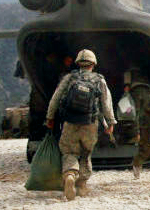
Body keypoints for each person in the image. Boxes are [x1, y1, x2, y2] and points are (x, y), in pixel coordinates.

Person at [45, 49, 116, 201]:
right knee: (85, 153)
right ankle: (81, 185)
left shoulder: (70, 78)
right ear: (93, 64)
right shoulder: (99, 80)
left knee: (69, 151)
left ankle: (70, 174)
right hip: (90, 123)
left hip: (70, 121)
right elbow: (106, 102)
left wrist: (50, 117)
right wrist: (110, 122)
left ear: (78, 63)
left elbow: (56, 98)